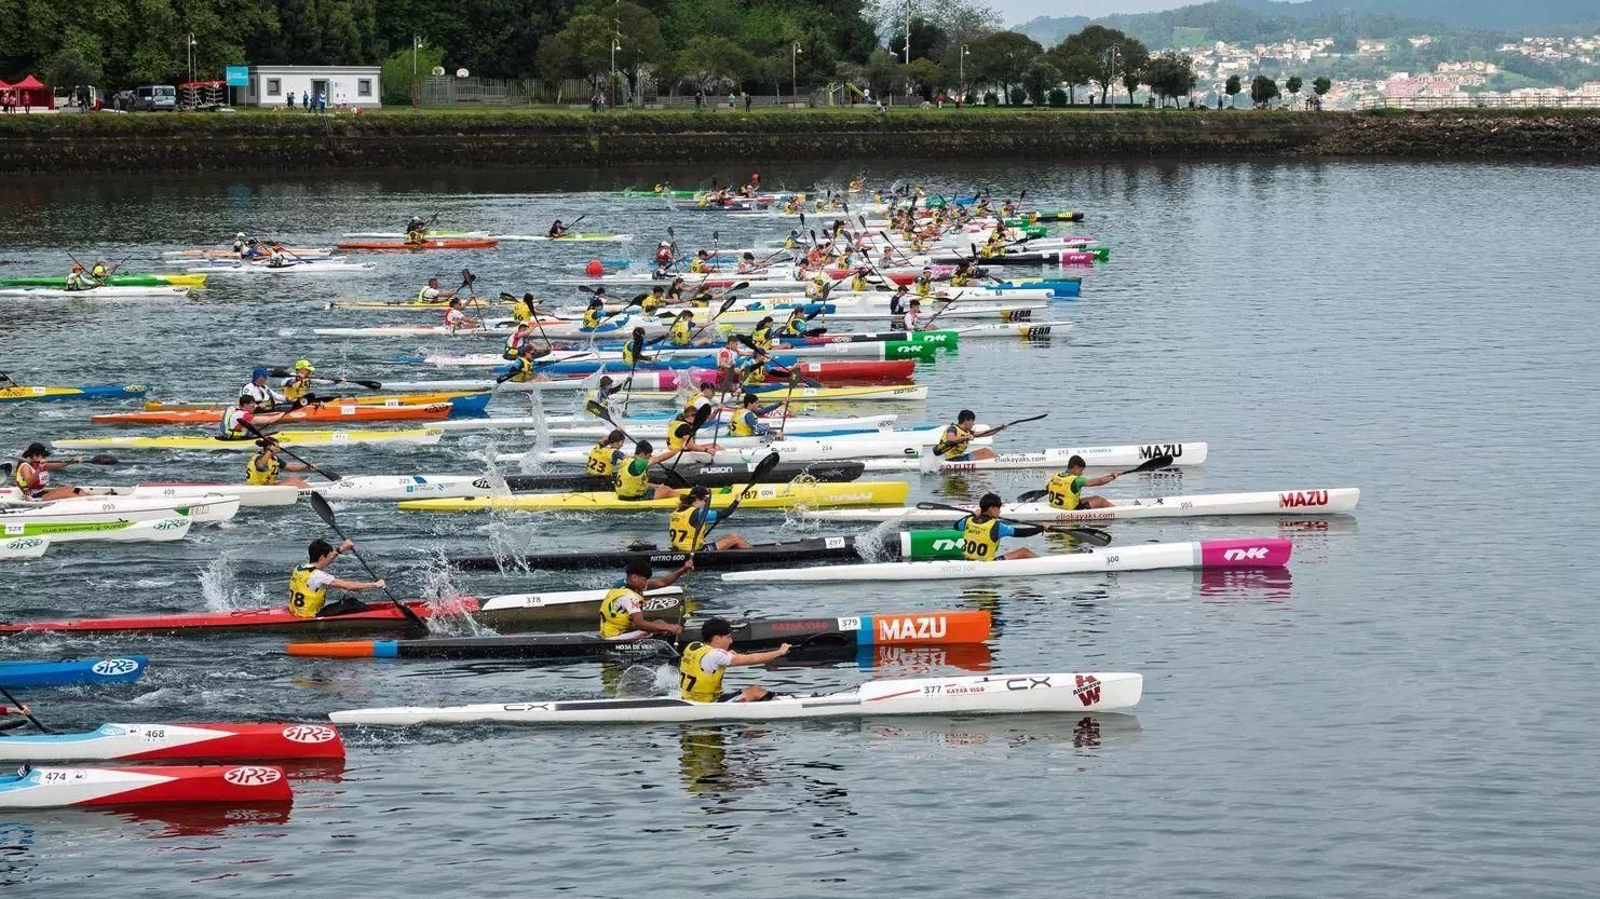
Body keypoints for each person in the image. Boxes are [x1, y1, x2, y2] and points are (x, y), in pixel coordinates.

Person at [679, 617, 790, 703]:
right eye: (728, 637)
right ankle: (784, 709)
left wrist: (725, 655)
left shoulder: (693, 646)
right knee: (755, 692)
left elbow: (706, 661)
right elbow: (753, 659)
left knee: (754, 690)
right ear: (717, 639)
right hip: (707, 704)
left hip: (689, 700)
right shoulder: (716, 656)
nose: (731, 641)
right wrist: (779, 652)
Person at [289, 538, 387, 618]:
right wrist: (375, 584)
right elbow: (349, 586)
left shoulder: (299, 568)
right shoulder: (319, 576)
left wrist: (342, 548)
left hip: (297, 611)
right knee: (353, 603)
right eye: (328, 556)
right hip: (310, 616)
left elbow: (327, 561)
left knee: (347, 599)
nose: (329, 558)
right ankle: (378, 618)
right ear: (322, 558)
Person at [599, 560, 692, 640]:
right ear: (634, 577)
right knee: (662, 627)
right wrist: (668, 627)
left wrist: (682, 570)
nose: (646, 584)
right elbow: (640, 624)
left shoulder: (625, 583)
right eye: (644, 580)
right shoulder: (629, 595)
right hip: (615, 636)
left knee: (659, 623)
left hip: (610, 630)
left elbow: (662, 582)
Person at [957, 493, 1042, 561]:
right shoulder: (996, 526)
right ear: (991, 509)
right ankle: (1044, 564)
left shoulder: (968, 521)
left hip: (967, 562)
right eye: (998, 508)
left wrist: (973, 514)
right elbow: (1022, 533)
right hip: (988, 565)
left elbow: (956, 525)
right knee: (1024, 552)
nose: (1000, 511)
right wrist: (1041, 528)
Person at [669, 486, 751, 551]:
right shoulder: (698, 513)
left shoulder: (676, 512)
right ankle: (755, 556)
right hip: (696, 551)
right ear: (697, 499)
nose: (706, 503)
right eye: (705, 500)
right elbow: (724, 514)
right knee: (734, 538)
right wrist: (736, 501)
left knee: (732, 543)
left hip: (678, 550)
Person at [11, 443, 88, 501]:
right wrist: (39, 469)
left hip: (41, 493)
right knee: (72, 495)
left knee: (76, 490)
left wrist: (73, 461)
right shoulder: (25, 466)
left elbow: (59, 465)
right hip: (32, 497)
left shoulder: (41, 464)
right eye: (43, 456)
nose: (45, 458)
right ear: (34, 455)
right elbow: (29, 483)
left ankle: (92, 498)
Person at [1044, 455, 1119, 510]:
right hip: (1071, 510)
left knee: (1095, 498)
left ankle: (1116, 509)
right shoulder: (1076, 480)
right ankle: (1118, 511)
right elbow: (1098, 482)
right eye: (1081, 470)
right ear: (1075, 467)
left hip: (1055, 506)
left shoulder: (1056, 475)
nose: (1081, 473)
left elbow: (1048, 488)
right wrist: (1113, 476)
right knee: (1100, 501)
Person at [934, 409, 1011, 461]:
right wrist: (966, 438)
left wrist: (1000, 428)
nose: (974, 423)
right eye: (972, 421)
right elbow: (951, 439)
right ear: (965, 421)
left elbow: (986, 433)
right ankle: (1001, 462)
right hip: (951, 460)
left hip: (959, 458)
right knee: (985, 451)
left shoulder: (967, 431)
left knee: (986, 451)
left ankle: (999, 460)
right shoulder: (952, 428)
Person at [616, 441, 683, 500]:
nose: (649, 457)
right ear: (642, 453)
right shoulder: (640, 463)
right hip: (634, 497)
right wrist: (679, 449)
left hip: (622, 495)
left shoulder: (627, 461)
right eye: (648, 455)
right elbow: (660, 458)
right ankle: (687, 500)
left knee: (663, 488)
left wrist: (657, 486)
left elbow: (639, 483)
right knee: (667, 490)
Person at [247, 437, 312, 488]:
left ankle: (311, 491)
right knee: (293, 481)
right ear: (269, 447)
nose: (279, 450)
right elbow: (260, 465)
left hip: (268, 487)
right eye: (277, 448)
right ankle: (313, 493)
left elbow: (292, 467)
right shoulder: (260, 457)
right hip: (258, 488)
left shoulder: (274, 459)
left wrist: (307, 466)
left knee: (295, 478)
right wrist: (270, 451)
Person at [220, 394, 288, 440]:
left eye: (254, 405)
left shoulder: (238, 409)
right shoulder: (244, 415)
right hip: (236, 438)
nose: (253, 407)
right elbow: (268, 420)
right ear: (244, 405)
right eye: (252, 406)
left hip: (233, 434)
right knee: (270, 426)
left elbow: (255, 406)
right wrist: (282, 414)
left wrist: (259, 406)